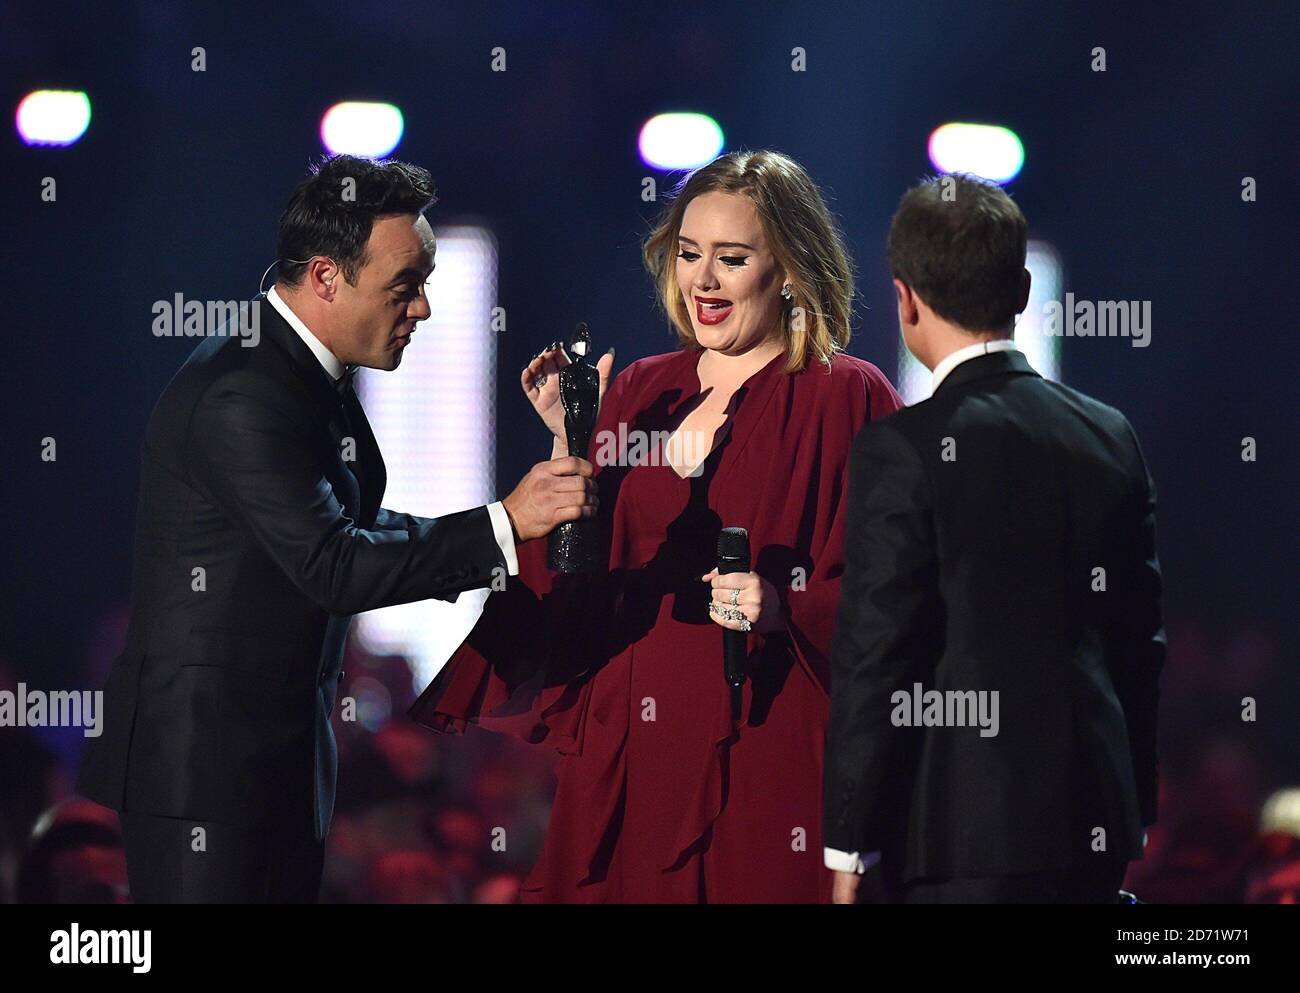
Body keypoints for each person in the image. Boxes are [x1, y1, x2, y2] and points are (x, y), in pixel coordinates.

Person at [76, 154, 595, 903]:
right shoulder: (242, 395)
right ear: (326, 277)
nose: (421, 309)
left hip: (273, 766)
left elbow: (343, 527)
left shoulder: (302, 371)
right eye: (404, 287)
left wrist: (507, 526)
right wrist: (503, 524)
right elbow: (333, 562)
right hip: (205, 778)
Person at [410, 150, 903, 902]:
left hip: (767, 739)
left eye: (731, 259)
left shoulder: (847, 398)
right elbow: (569, 588)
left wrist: (784, 609)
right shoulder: (638, 388)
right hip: (630, 745)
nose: (702, 281)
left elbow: (895, 597)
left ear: (793, 270)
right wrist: (569, 443)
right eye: (688, 254)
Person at [824, 173, 1165, 904]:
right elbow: (1141, 643)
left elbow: (878, 657)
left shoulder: (901, 447)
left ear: (904, 300)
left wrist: (848, 845)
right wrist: (1130, 807)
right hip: (1093, 828)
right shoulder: (1109, 435)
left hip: (960, 837)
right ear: (1020, 292)